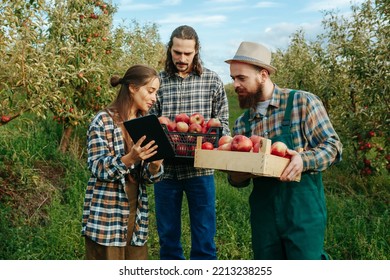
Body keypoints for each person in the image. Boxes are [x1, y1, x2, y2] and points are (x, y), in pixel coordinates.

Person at [225, 41, 342, 260]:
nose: (236, 85)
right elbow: (239, 181)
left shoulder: (301, 102)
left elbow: (333, 146)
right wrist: (236, 175)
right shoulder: (242, 124)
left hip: (302, 210)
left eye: (242, 78)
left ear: (263, 74)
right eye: (233, 79)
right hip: (264, 215)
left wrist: (303, 160)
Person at [150, 25, 230, 260]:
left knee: (205, 239)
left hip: (201, 170)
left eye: (187, 53)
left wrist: (212, 129)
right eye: (177, 52)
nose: (182, 58)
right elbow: (152, 120)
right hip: (166, 171)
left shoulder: (213, 81)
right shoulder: (158, 81)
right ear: (170, 50)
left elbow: (223, 124)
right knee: (168, 239)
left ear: (196, 51)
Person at [81, 64, 164, 260]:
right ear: (133, 88)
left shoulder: (145, 123)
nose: (154, 98)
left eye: (156, 93)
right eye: (150, 91)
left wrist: (155, 165)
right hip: (107, 216)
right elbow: (97, 167)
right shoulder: (103, 121)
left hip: (136, 216)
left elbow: (146, 177)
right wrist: (130, 158)